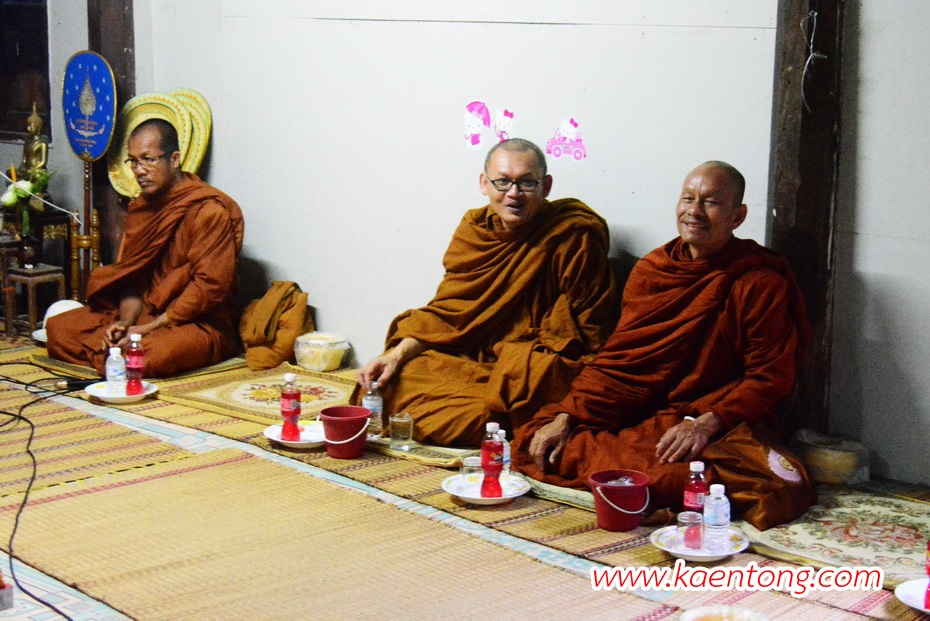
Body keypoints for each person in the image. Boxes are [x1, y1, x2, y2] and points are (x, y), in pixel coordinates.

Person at [513, 161, 815, 530]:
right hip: (650, 412)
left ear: (738, 216)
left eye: (710, 203)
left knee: (680, 477)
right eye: (688, 199)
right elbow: (621, 363)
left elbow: (770, 377)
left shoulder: (759, 283)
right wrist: (568, 417)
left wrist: (706, 424)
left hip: (720, 416)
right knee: (538, 437)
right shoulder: (653, 270)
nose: (694, 211)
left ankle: (661, 482)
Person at [356, 138, 619, 447]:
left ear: (546, 186)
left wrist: (532, 360)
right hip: (468, 357)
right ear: (484, 183)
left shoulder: (572, 235)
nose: (514, 193)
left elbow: (592, 334)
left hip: (522, 369)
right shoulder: (475, 230)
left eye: (527, 183)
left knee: (484, 415)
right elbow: (449, 315)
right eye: (502, 182)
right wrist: (395, 355)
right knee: (384, 383)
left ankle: (499, 418)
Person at [47, 118, 245, 377]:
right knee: (58, 329)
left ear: (174, 159)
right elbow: (131, 278)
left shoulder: (209, 212)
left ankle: (117, 356)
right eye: (133, 161)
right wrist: (125, 323)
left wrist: (149, 328)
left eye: (148, 160)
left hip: (196, 322)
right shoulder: (141, 208)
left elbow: (209, 288)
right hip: (143, 317)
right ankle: (118, 353)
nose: (139, 171)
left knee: (153, 355)